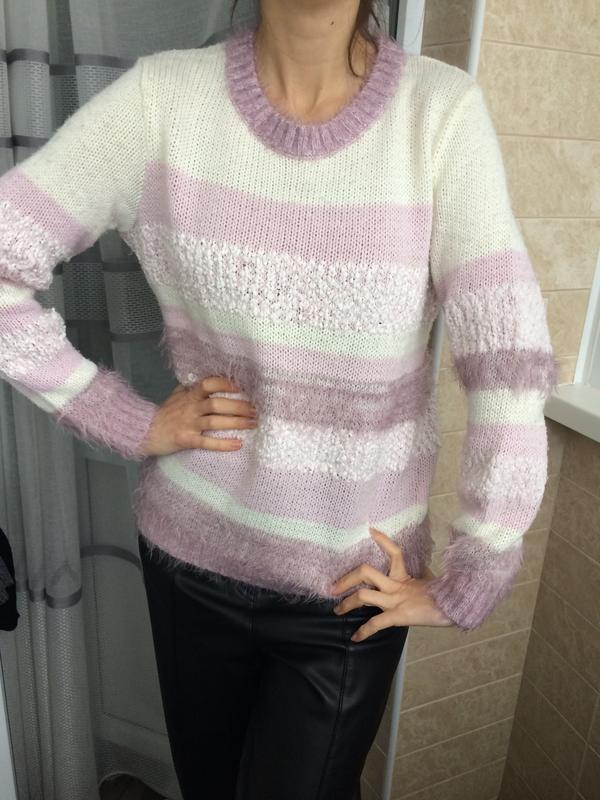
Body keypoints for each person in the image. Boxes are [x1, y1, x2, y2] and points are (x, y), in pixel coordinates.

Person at [0, 1, 558, 798]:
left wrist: (481, 563)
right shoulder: (162, 101)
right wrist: (128, 419)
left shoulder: (439, 115)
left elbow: (505, 353)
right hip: (191, 561)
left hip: (350, 591)